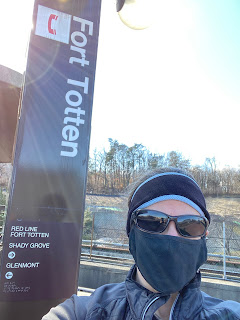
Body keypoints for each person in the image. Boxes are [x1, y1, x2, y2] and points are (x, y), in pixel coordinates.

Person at [43, 168, 240, 319]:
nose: (172, 236)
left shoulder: (231, 314)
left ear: (204, 235)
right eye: (152, 222)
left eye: (190, 225)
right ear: (131, 233)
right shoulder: (82, 313)